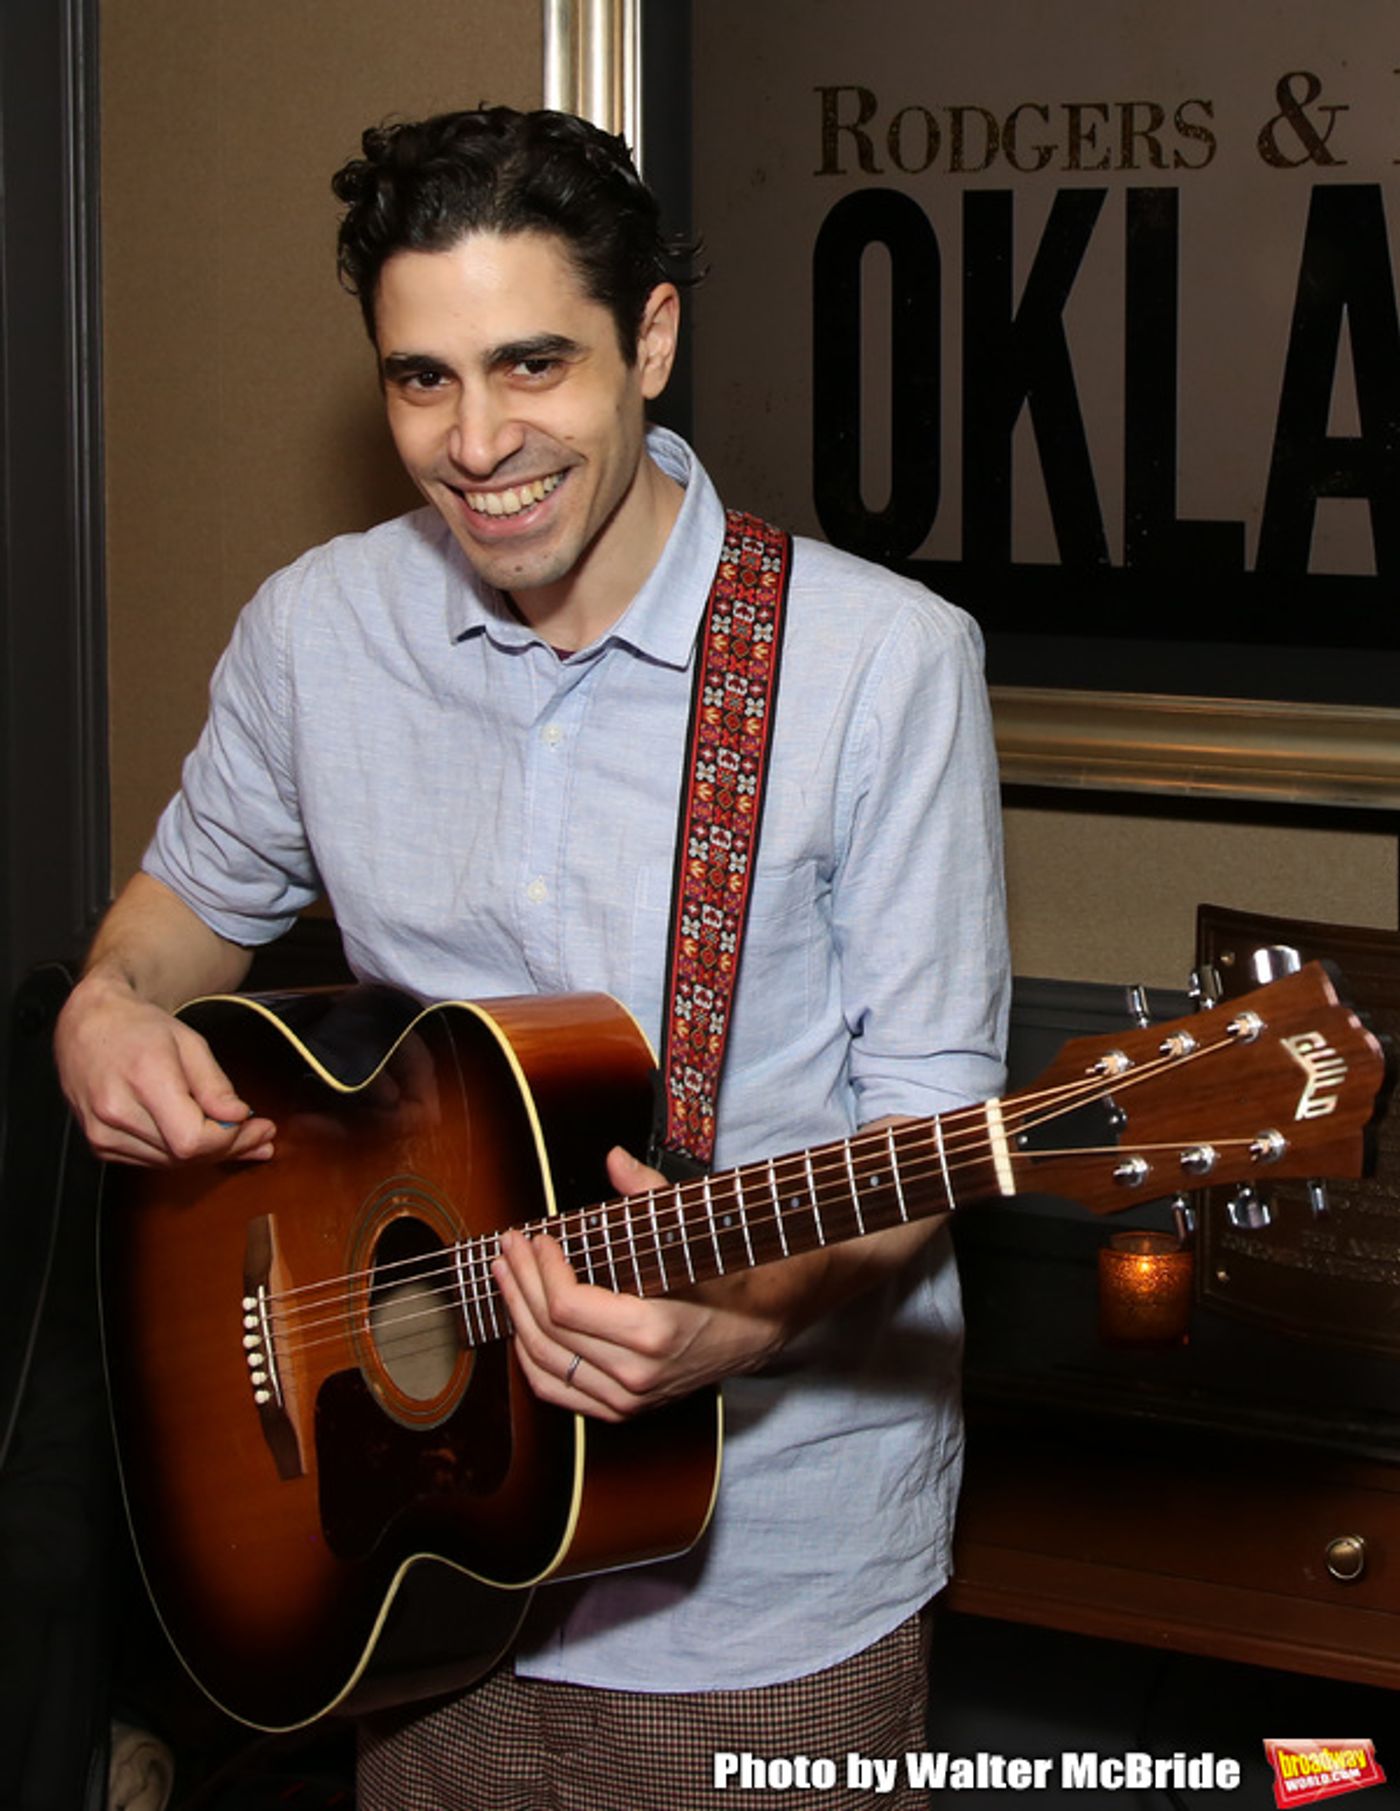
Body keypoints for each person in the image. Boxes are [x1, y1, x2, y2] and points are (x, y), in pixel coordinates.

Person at [55, 107, 1009, 1809]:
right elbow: (170, 921)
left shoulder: (877, 668)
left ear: (648, 340)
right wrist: (104, 1008)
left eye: (531, 366)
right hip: (393, 1547)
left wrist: (745, 1315)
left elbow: (930, 1139)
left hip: (760, 1603)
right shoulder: (316, 635)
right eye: (422, 381)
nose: (478, 442)